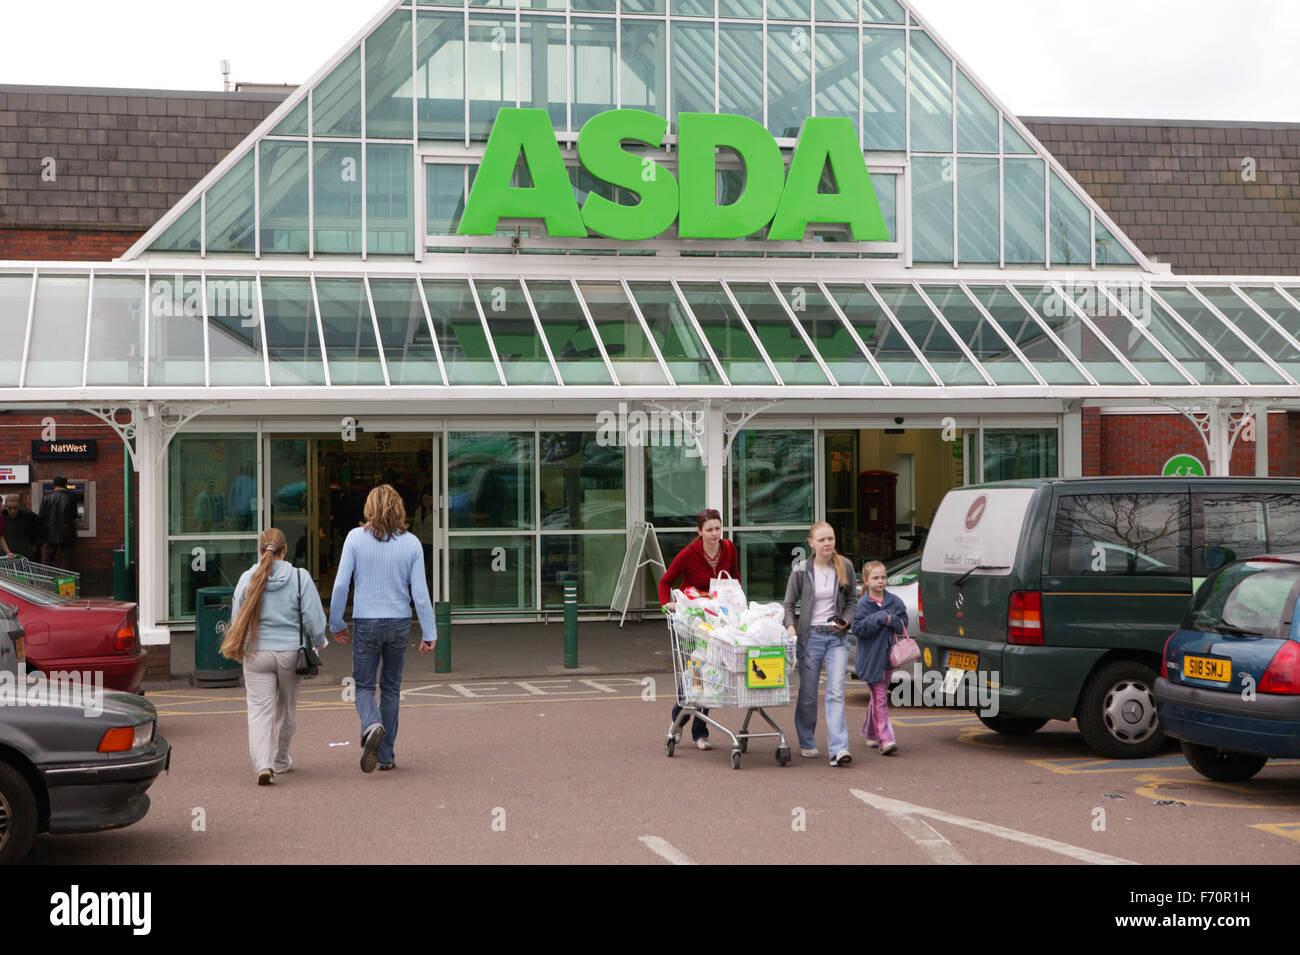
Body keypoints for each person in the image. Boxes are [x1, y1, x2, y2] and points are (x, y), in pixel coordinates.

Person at [329, 485, 436, 774]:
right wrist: (429, 632)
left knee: (363, 686)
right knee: (391, 687)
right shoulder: (412, 543)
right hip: (400, 622)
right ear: (399, 508)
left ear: (369, 508)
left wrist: (336, 623)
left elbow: (340, 585)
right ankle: (386, 755)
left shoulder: (354, 538)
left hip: (366, 622)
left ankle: (371, 725)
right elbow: (421, 593)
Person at [221, 528, 328, 785]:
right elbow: (314, 619)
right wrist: (319, 641)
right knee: (286, 710)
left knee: (259, 711)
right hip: (291, 654)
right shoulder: (300, 578)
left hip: (256, 653)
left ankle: (263, 765)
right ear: (286, 550)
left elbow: (236, 617)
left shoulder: (248, 578)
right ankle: (280, 759)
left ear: (260, 551)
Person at [657, 507, 738, 751]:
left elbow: (734, 579)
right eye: (709, 530)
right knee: (696, 673)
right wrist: (666, 606)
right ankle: (679, 717)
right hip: (690, 622)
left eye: (718, 528)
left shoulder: (729, 548)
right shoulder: (689, 554)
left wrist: (735, 604)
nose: (715, 534)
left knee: (712, 671)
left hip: (715, 620)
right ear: (699, 531)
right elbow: (665, 582)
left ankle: (699, 732)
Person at [784, 522, 859, 766]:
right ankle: (806, 740)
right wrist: (790, 625)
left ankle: (839, 749)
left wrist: (845, 621)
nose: (827, 544)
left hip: (836, 638)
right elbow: (788, 604)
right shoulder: (801, 569)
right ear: (811, 543)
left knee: (836, 692)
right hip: (810, 637)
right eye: (822, 540)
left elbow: (852, 601)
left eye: (831, 538)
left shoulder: (844, 565)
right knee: (808, 694)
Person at [850, 560, 909, 756]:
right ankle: (886, 739)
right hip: (870, 659)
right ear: (866, 581)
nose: (880, 581)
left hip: (888, 657)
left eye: (883, 577)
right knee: (880, 697)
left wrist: (892, 620)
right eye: (875, 577)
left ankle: (868, 731)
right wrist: (879, 618)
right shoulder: (862, 605)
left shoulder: (895, 601)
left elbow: (903, 625)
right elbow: (857, 629)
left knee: (878, 696)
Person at [39, 477, 78, 569]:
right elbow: (74, 515)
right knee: (65, 560)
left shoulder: (46, 498)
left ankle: (46, 581)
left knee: (48, 559)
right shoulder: (71, 498)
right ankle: (64, 582)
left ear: (54, 485)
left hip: (50, 533)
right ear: (65, 485)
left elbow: (41, 516)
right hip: (67, 533)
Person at [1, 493, 44, 561]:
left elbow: (43, 528)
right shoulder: (2, 516)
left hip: (26, 555)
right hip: (7, 556)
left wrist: (37, 545)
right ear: (6, 506)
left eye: (15, 508)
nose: (12, 511)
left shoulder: (28, 516)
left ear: (19, 506)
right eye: (10, 508)